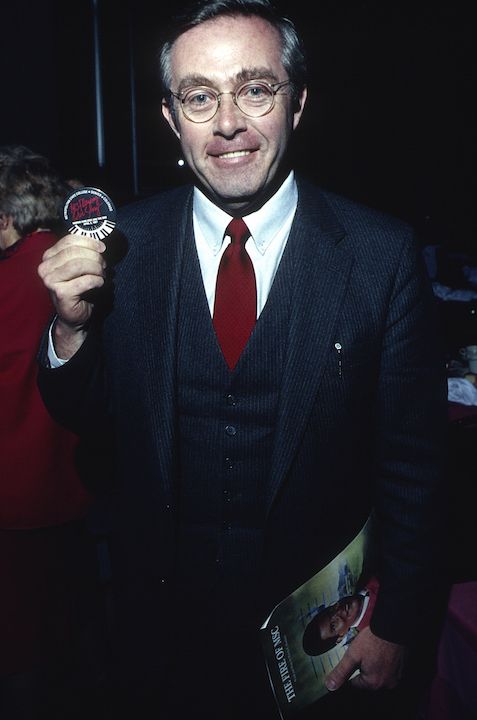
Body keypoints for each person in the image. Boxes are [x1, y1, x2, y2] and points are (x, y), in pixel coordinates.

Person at [36, 1, 448, 718]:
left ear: (297, 103)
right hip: (157, 634)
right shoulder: (121, 248)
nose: (227, 122)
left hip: (317, 644)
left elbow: (415, 466)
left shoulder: (380, 254)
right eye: (199, 96)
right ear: (171, 118)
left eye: (254, 89)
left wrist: (398, 622)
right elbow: (90, 419)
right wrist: (69, 332)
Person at [0, 145, 104, 719]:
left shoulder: (22, 274)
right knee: (75, 632)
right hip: (71, 487)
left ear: (10, 215)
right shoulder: (76, 262)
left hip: (13, 497)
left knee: (20, 654)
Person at [302, 577, 379, 657]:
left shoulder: (363, 579)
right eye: (333, 625)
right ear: (340, 638)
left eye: (330, 612)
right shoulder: (376, 627)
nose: (339, 611)